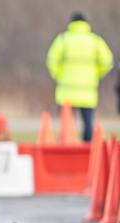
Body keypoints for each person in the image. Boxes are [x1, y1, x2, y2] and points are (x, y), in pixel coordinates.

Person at [46, 12, 113, 142]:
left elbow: (51, 60)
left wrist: (59, 75)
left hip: (66, 91)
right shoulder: (95, 40)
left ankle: (67, 152)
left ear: (71, 23)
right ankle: (88, 151)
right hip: (87, 91)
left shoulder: (63, 39)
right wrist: (96, 74)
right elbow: (107, 61)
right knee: (88, 124)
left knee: (67, 126)